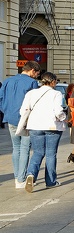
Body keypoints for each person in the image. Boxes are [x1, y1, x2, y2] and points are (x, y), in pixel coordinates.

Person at [20, 71, 66, 191]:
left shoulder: (31, 93)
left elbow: (23, 110)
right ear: (52, 81)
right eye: (55, 81)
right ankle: (51, 181)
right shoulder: (56, 94)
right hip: (52, 126)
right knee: (51, 154)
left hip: (35, 126)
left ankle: (31, 174)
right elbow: (58, 111)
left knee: (37, 152)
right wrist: (64, 118)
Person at [0, 60, 41, 189]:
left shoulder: (7, 81)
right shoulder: (32, 82)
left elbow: (1, 98)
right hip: (26, 119)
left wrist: (6, 110)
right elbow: (35, 102)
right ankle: (21, 179)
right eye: (37, 74)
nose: (36, 76)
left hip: (10, 118)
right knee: (25, 149)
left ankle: (17, 178)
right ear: (33, 70)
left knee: (16, 148)